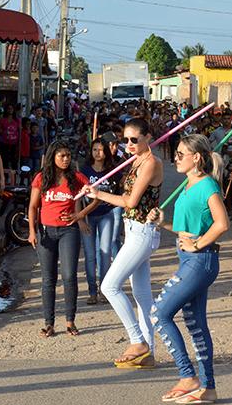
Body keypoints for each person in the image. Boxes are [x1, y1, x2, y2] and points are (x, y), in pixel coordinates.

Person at [148, 134, 229, 405]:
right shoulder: (188, 185)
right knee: (196, 324)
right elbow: (188, 229)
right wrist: (164, 222)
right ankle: (208, 387)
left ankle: (187, 375)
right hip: (189, 259)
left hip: (200, 261)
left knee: (159, 313)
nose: (176, 158)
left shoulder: (208, 186)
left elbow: (222, 224)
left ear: (196, 158)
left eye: (181, 154)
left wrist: (199, 244)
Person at [84, 118, 163, 368]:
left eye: (134, 140)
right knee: (142, 295)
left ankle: (137, 339)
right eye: (125, 139)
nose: (128, 144)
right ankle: (148, 352)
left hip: (142, 231)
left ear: (147, 137)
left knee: (109, 286)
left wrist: (98, 194)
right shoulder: (135, 159)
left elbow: (130, 202)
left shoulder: (151, 162)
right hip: (133, 231)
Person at [28, 141, 89, 337]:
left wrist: (80, 216)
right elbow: (32, 206)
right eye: (61, 155)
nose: (65, 159)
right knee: (48, 279)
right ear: (52, 156)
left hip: (69, 232)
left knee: (69, 276)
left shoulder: (77, 177)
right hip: (46, 232)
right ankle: (49, 323)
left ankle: (70, 321)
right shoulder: (41, 178)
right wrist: (31, 231)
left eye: (68, 156)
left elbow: (96, 195)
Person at [80, 138, 118, 305]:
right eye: (95, 149)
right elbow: (78, 197)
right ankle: (92, 292)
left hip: (106, 215)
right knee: (89, 256)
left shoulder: (113, 170)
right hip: (88, 217)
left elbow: (121, 188)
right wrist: (80, 218)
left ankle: (104, 291)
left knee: (105, 253)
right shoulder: (84, 171)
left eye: (101, 150)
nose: (98, 153)